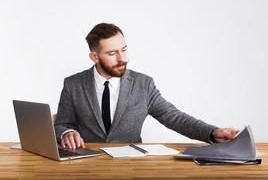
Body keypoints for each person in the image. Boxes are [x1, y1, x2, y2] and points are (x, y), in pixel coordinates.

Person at [54, 23, 239, 149]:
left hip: (131, 166)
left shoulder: (144, 84)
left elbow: (174, 117)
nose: (122, 59)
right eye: (112, 53)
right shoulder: (73, 84)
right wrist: (67, 133)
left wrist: (213, 133)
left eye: (124, 50)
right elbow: (62, 123)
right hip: (87, 166)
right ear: (94, 57)